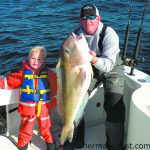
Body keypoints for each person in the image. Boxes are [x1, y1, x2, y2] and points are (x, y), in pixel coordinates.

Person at [63, 3, 125, 150]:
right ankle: (75, 140)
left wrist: (94, 59)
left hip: (111, 68)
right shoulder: (76, 35)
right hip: (88, 68)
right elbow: (66, 58)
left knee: (114, 104)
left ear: (98, 18)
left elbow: (109, 65)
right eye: (84, 17)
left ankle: (114, 146)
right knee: (78, 101)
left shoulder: (109, 34)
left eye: (91, 16)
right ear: (80, 20)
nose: (87, 20)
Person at [0, 46, 57, 150]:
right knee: (25, 128)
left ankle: (50, 144)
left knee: (46, 128)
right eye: (33, 58)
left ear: (44, 61)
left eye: (39, 59)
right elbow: (8, 82)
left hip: (44, 108)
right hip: (28, 110)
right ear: (28, 58)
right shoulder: (22, 73)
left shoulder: (50, 74)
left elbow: (58, 84)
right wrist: (8, 76)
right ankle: (22, 144)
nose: (36, 61)